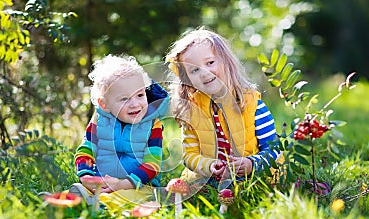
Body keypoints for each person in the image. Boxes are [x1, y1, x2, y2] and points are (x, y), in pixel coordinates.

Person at [165, 27, 281, 190]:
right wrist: (208, 165)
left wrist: (251, 163)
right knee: (190, 193)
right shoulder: (192, 111)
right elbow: (190, 156)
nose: (204, 73)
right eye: (194, 70)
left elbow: (274, 149)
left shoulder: (252, 105)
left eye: (210, 63)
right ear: (187, 78)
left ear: (226, 61)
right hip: (210, 179)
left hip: (252, 178)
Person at [70, 55, 169, 207]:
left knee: (125, 197)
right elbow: (86, 149)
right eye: (124, 99)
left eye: (140, 95)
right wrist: (86, 176)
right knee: (81, 189)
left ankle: (99, 205)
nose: (135, 104)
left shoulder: (152, 125)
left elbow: (152, 164)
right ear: (105, 105)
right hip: (102, 181)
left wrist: (124, 183)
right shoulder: (99, 120)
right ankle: (67, 200)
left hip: (139, 185)